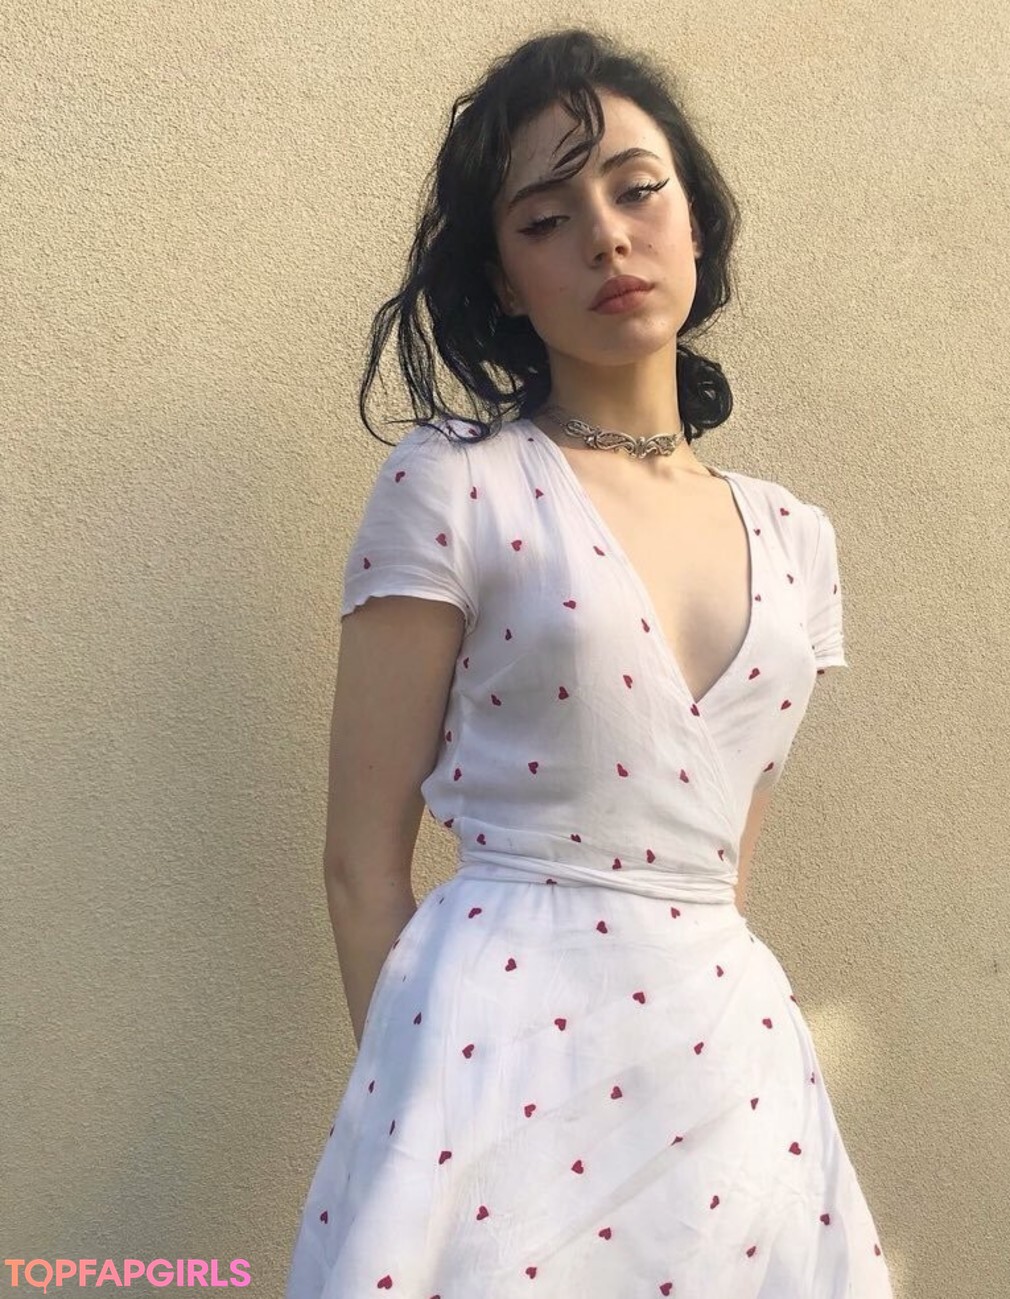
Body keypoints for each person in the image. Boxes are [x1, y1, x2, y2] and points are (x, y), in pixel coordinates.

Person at [286, 26, 895, 1299]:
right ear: (505, 280)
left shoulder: (798, 539)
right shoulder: (454, 483)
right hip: (491, 1060)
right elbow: (359, 866)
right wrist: (418, 1112)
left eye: (636, 189)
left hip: (731, 1078)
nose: (606, 238)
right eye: (546, 220)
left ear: (695, 218)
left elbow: (720, 868)